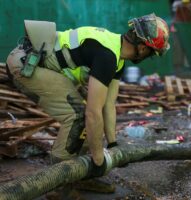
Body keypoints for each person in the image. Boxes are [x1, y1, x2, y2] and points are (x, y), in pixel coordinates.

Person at [6, 13, 170, 177]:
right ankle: (58, 183)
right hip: (27, 65)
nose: (148, 57)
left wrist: (113, 144)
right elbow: (93, 112)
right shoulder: (107, 55)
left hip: (37, 64)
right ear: (143, 48)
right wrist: (99, 159)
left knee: (85, 119)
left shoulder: (116, 58)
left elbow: (108, 105)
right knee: (77, 116)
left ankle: (81, 176)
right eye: (151, 53)